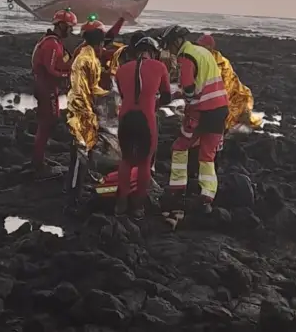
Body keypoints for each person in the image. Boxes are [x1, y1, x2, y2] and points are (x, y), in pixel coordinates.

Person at [161, 25, 228, 208]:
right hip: (220, 109)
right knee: (207, 154)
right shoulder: (203, 52)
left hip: (201, 111)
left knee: (180, 147)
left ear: (177, 42)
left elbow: (189, 87)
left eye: (169, 45)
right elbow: (204, 83)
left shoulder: (186, 56)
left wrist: (184, 101)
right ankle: (207, 196)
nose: (170, 50)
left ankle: (177, 187)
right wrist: (180, 94)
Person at [114, 36, 172, 217]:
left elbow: (123, 95)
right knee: (144, 162)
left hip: (125, 118)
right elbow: (167, 96)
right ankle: (138, 206)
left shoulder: (121, 70)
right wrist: (155, 104)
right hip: (146, 118)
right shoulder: (160, 67)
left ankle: (121, 202)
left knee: (126, 159)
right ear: (153, 53)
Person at [66, 24, 108, 207]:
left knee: (84, 153)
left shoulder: (86, 54)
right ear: (98, 44)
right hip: (82, 112)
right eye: (102, 45)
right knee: (80, 154)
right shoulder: (86, 59)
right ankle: (73, 196)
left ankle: (76, 186)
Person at [30, 8, 77, 171]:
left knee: (48, 121)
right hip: (46, 88)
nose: (71, 31)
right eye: (69, 27)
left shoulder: (51, 41)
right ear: (62, 26)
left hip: (47, 87)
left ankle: (39, 158)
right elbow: (50, 70)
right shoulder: (51, 44)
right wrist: (68, 75)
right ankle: (38, 162)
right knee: (47, 123)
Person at [196, 34, 261, 131]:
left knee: (228, 120)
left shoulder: (222, 63)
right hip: (211, 94)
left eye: (203, 47)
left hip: (233, 93)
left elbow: (227, 83)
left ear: (210, 48)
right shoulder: (198, 59)